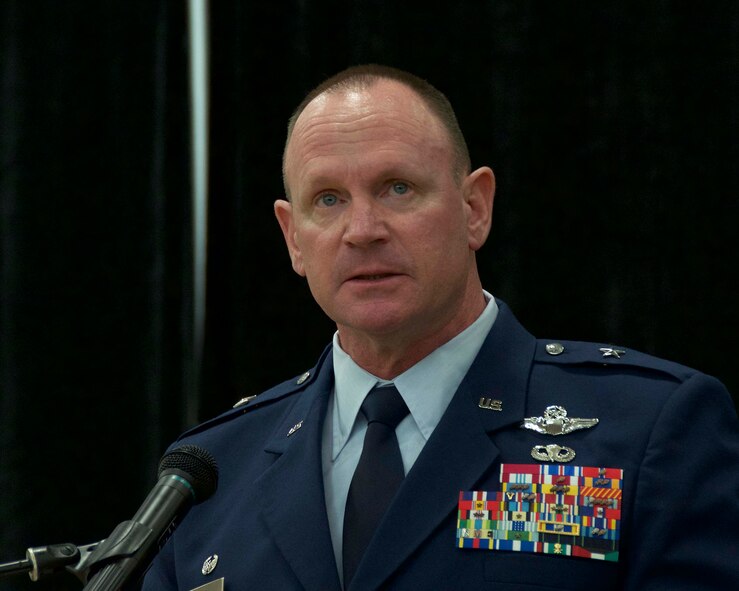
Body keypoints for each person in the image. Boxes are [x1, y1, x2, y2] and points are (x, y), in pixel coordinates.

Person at [141, 64, 739, 591]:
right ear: (292, 237)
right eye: (327, 200)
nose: (362, 229)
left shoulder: (648, 429)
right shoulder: (207, 476)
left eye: (397, 188)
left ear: (474, 207)